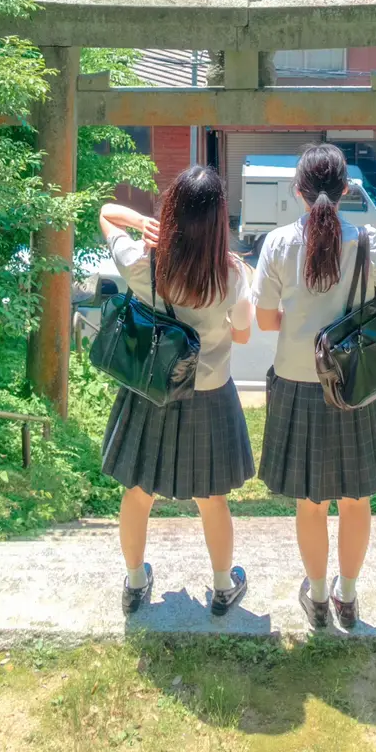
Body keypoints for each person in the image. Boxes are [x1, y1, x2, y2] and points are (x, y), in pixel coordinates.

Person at [253, 143, 376, 633]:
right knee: (357, 499)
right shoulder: (367, 241)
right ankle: (348, 596)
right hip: (357, 384)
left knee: (310, 500)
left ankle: (317, 597)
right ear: (345, 191)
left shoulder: (276, 244)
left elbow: (264, 321)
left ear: (297, 191)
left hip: (299, 382)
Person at [98, 165, 254, 619]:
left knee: (138, 491)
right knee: (211, 499)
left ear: (169, 213)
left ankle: (134, 582)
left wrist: (138, 222)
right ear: (219, 221)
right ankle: (224, 587)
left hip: (150, 390)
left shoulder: (142, 262)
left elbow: (105, 215)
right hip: (208, 393)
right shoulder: (230, 276)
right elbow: (243, 336)